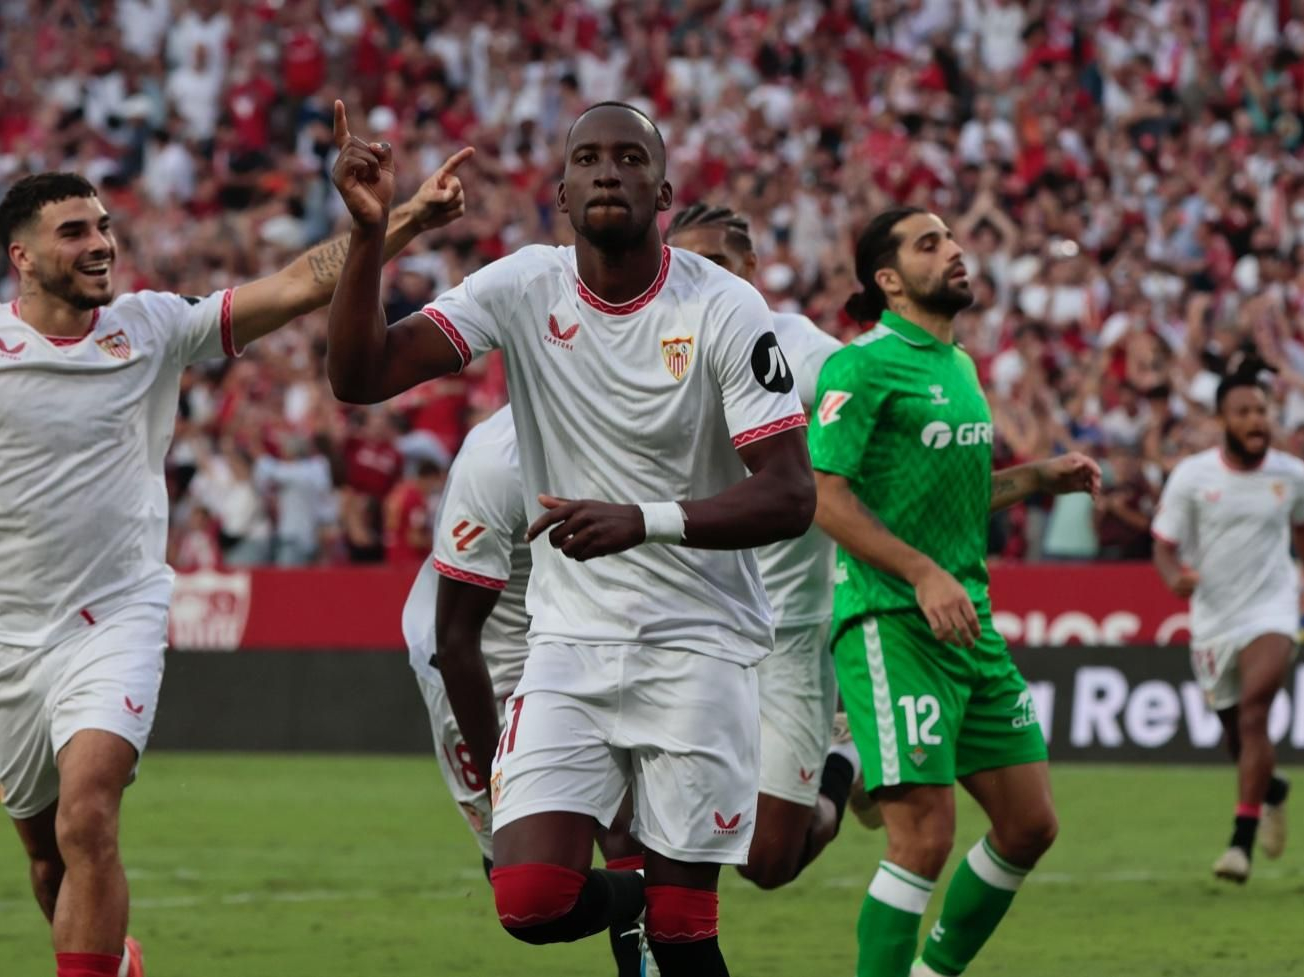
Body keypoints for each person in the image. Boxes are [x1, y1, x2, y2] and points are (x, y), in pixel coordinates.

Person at [0, 151, 473, 977]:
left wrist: (398, 217)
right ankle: (114, 959)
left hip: (115, 614)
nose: (100, 244)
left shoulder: (152, 327)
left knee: (88, 815)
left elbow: (297, 285)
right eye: (75, 231)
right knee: (48, 860)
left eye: (105, 227)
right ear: (22, 255)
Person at [326, 99, 816, 976]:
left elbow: (790, 493)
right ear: (559, 193)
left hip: (699, 644)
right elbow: (361, 374)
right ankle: (631, 899)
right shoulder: (524, 286)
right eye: (587, 158)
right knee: (529, 899)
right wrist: (369, 236)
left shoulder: (726, 307)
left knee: (685, 934)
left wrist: (645, 520)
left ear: (662, 192)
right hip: (566, 646)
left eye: (629, 158)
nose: (607, 171)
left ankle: (658, 912)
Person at [807, 206, 1100, 977]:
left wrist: (1036, 478)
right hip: (891, 621)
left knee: (1030, 823)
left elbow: (957, 500)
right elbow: (825, 498)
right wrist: (921, 572)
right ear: (890, 279)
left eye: (952, 237)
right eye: (929, 243)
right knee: (923, 838)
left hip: (967, 620)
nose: (955, 249)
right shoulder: (861, 366)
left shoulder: (960, 367)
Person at [401, 404, 645, 977]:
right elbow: (455, 639)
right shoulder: (496, 459)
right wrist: (505, 783)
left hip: (573, 643)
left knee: (626, 830)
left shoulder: (637, 415)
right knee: (522, 890)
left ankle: (657, 904)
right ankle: (645, 893)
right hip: (478, 666)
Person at [664, 202, 866, 888]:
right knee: (659, 824)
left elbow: (864, 409)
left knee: (769, 862)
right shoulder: (651, 352)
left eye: (715, 262)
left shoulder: (799, 349)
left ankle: (846, 759)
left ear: (750, 267)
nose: (699, 277)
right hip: (688, 627)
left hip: (788, 634)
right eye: (684, 264)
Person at [1150, 368, 1304, 883]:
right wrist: (1173, 578)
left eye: (1261, 411)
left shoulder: (1292, 474)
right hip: (1213, 618)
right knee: (1236, 735)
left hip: (1273, 608)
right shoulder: (1192, 477)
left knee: (1254, 713)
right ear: (1223, 419)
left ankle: (1240, 845)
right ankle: (1272, 788)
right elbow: (1163, 544)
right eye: (1243, 412)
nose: (1255, 421)